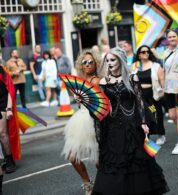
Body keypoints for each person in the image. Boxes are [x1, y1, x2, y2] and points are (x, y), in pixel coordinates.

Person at [92, 47, 169, 194]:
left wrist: (144, 122)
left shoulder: (132, 77)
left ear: (121, 60)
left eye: (113, 60)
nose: (109, 63)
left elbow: (139, 102)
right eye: (107, 60)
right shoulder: (103, 81)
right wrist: (83, 102)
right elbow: (100, 107)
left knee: (136, 161)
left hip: (132, 125)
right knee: (115, 162)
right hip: (113, 126)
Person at [62, 49, 101, 195]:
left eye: (91, 62)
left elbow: (99, 102)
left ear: (96, 64)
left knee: (98, 160)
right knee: (72, 156)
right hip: (79, 120)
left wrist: (84, 98)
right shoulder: (78, 80)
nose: (88, 64)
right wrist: (77, 98)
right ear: (81, 64)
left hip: (93, 119)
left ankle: (105, 182)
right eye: (85, 62)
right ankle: (87, 183)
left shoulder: (96, 80)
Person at [132, 45, 166, 145]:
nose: (146, 53)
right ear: (138, 55)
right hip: (139, 95)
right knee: (143, 116)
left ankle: (161, 134)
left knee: (156, 114)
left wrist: (163, 91)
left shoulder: (155, 66)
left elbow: (162, 80)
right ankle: (147, 135)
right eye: (143, 52)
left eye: (147, 52)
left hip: (153, 95)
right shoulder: (135, 66)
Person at [0, 65, 20, 174]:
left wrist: (8, 108)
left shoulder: (2, 70)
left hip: (2, 104)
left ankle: (9, 160)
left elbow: (10, 90)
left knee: (2, 133)